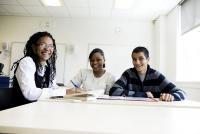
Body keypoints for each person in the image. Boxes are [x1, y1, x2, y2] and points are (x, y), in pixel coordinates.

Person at [109, 46, 186, 101]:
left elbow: (182, 93)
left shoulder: (156, 76)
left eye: (141, 59)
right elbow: (113, 91)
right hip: (131, 111)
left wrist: (172, 96)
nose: (137, 62)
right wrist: (143, 95)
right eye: (134, 59)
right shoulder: (128, 74)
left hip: (153, 112)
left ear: (148, 59)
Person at [11, 31, 66, 106]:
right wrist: (64, 92)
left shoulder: (48, 66)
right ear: (34, 47)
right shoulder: (27, 62)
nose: (47, 48)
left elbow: (53, 87)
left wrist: (69, 91)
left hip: (39, 108)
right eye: (42, 44)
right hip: (21, 110)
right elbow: (30, 93)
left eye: (50, 45)